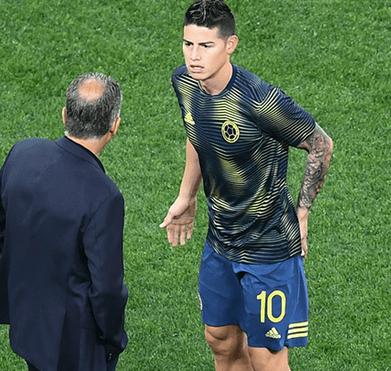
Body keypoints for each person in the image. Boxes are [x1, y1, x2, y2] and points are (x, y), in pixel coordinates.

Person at [159, 1, 333, 370]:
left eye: (206, 46)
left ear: (230, 44)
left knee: (265, 358)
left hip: (269, 248)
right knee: (220, 342)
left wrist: (302, 212)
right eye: (188, 44)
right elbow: (196, 134)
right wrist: (186, 195)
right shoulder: (185, 83)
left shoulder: (260, 100)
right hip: (221, 242)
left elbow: (320, 143)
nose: (194, 56)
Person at [0, 72, 128, 371]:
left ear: (65, 114)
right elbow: (107, 291)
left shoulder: (22, 153)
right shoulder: (105, 195)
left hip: (28, 322)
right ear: (113, 126)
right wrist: (114, 339)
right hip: (76, 341)